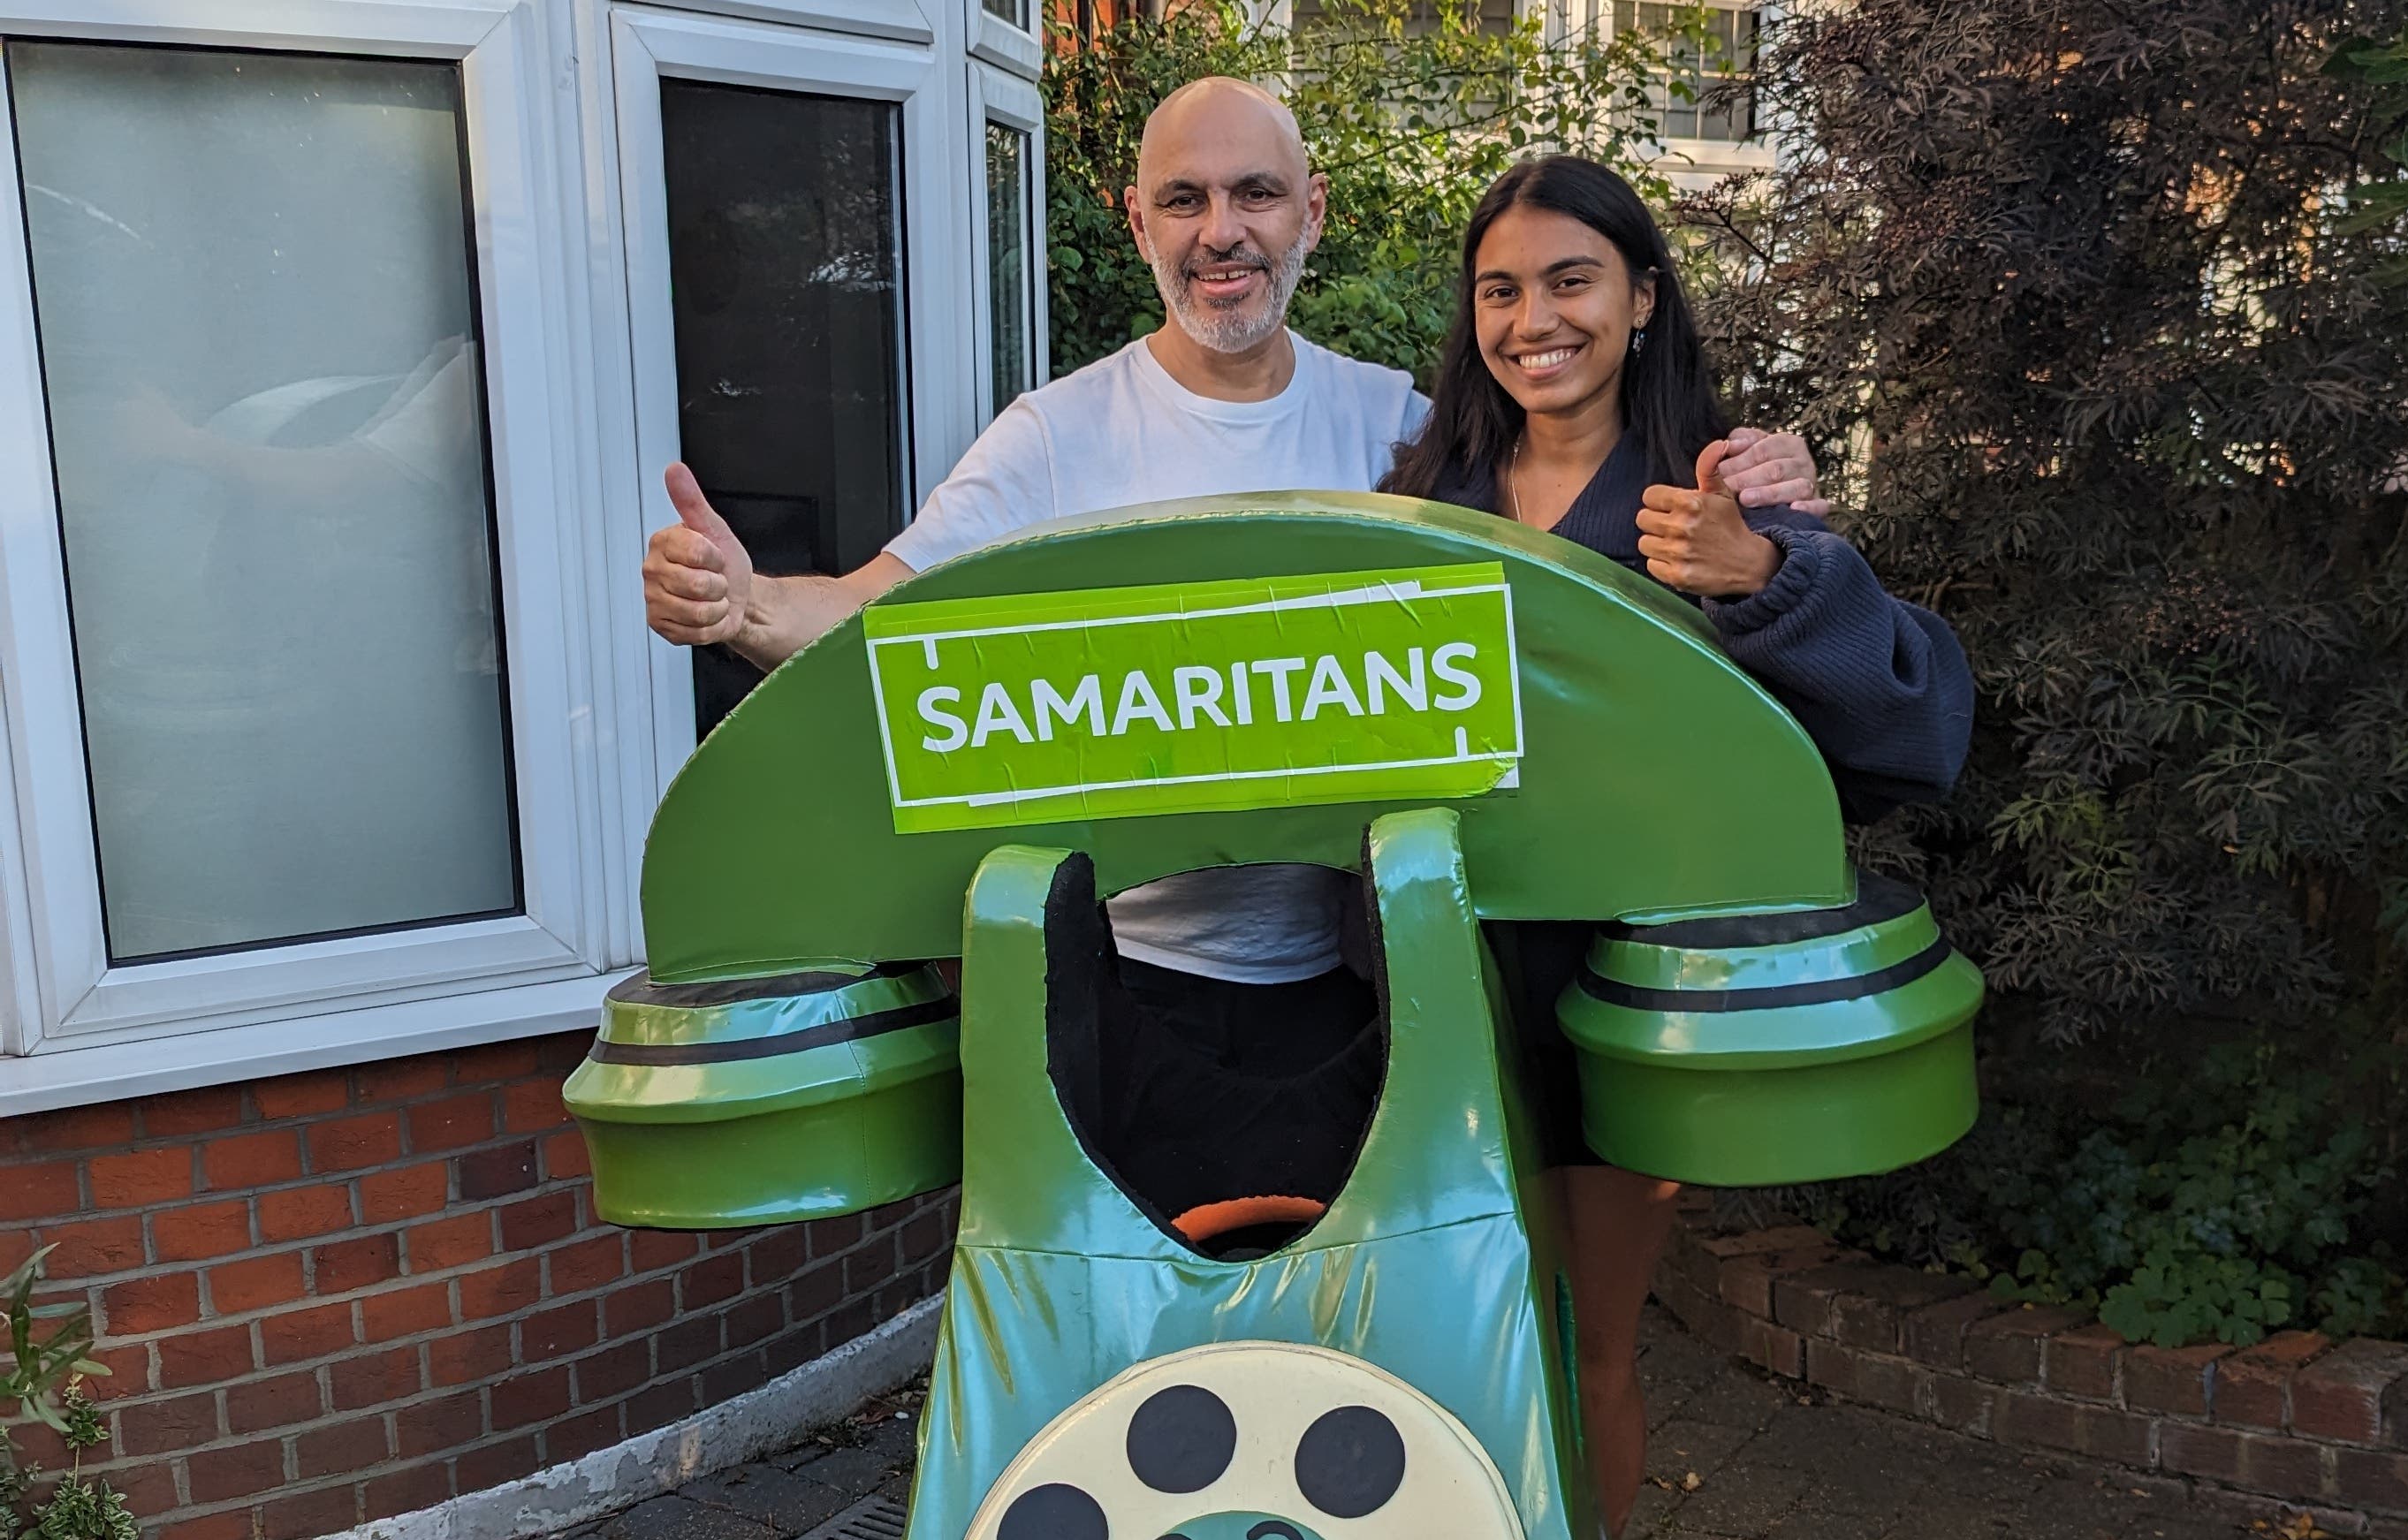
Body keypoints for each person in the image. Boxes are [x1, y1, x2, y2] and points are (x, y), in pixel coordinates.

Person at [639, 81, 1830, 1210]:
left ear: (1310, 211)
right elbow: (875, 616)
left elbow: (1572, 515)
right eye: (1185, 200)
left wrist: (1767, 486)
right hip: (1121, 992)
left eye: (1255, 194)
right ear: (1139, 221)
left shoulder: (1394, 425)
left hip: (1367, 987)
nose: (1223, 232)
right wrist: (744, 607)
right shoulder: (1054, 439)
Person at [1379, 154, 1974, 1536]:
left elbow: (1911, 731)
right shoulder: (1419, 498)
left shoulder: (1723, 493)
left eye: (1573, 280)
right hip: (1436, 991)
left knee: (1585, 1346)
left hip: (1617, 1002)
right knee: (1456, 1350)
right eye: (1502, 290)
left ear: (1643, 298)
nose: (1538, 318)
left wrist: (1773, 577)